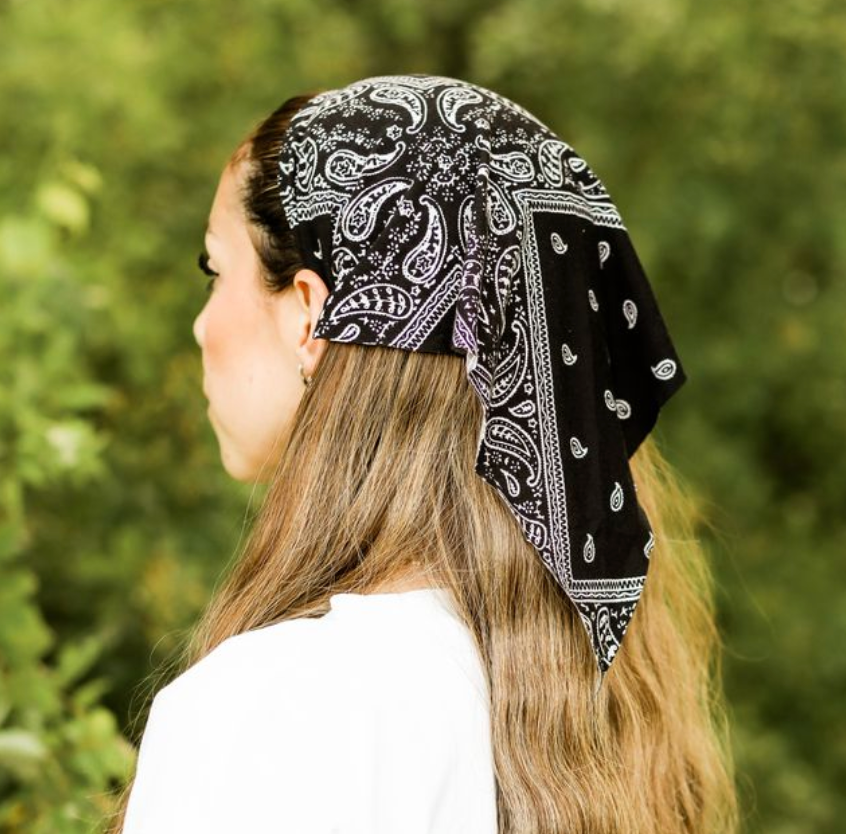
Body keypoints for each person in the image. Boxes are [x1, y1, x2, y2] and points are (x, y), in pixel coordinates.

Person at [108, 75, 739, 834]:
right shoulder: (595, 714)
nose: (200, 326)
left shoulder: (271, 713)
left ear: (309, 314)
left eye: (215, 271)